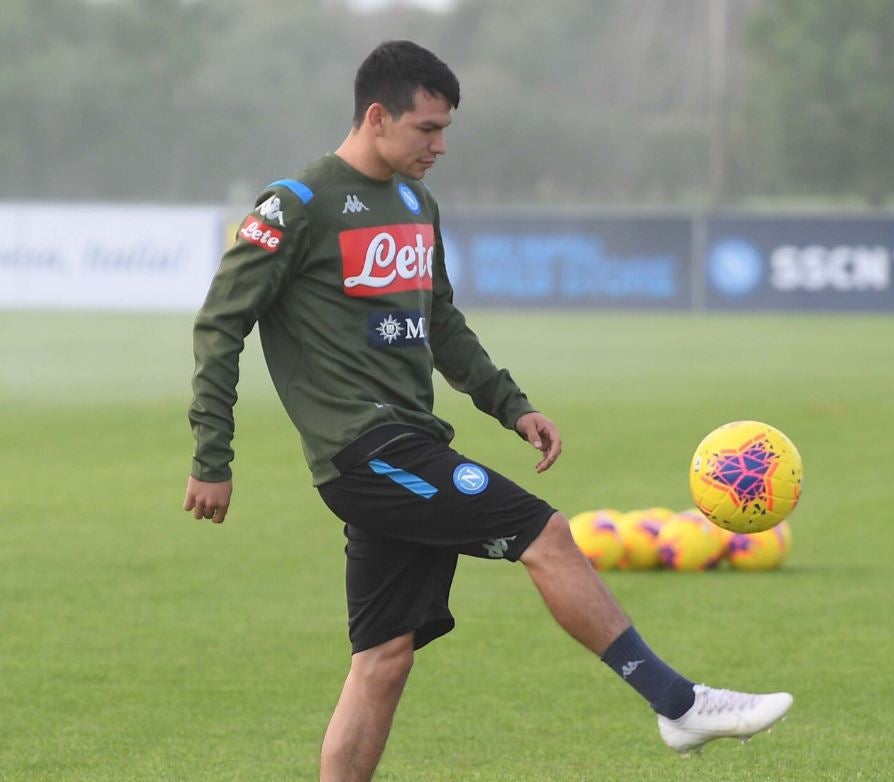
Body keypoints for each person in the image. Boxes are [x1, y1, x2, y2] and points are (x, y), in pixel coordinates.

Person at [183, 40, 792, 781]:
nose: (440, 145)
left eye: (445, 130)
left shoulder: (415, 202)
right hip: (365, 451)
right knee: (545, 532)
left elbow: (440, 321)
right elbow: (221, 322)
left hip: (407, 441)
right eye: (426, 129)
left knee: (383, 659)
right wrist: (213, 457)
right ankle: (676, 702)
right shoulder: (296, 205)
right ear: (377, 117)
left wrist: (510, 405)